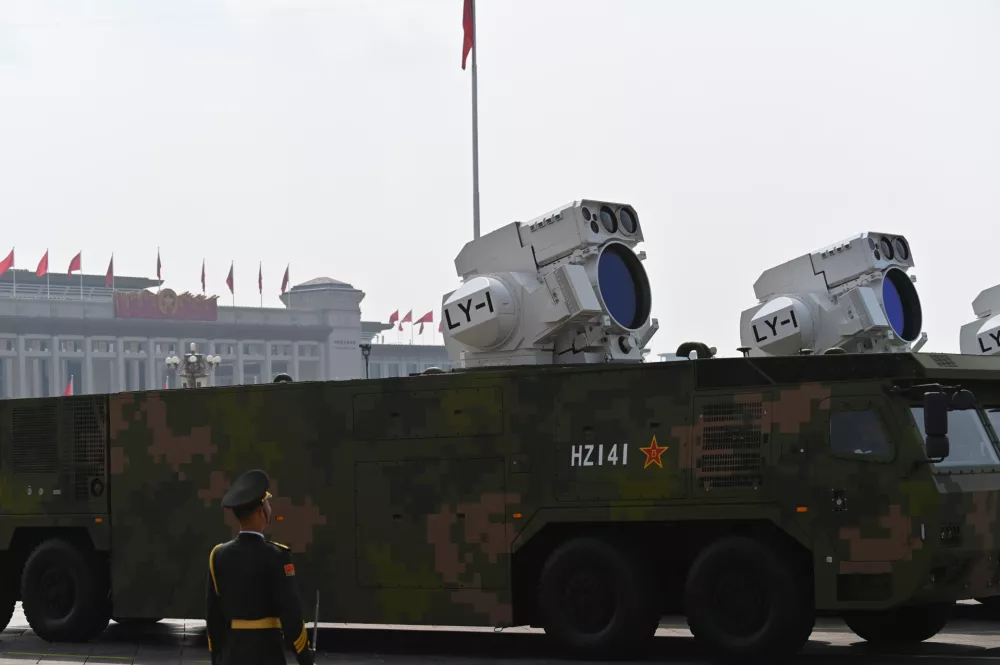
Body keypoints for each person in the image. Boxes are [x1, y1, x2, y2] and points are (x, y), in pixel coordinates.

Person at [205, 469, 315, 665]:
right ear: (260, 511)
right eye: (267, 503)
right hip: (268, 656)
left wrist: (217, 659)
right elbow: (292, 617)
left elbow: (213, 619)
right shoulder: (277, 556)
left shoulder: (218, 555)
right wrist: (306, 660)